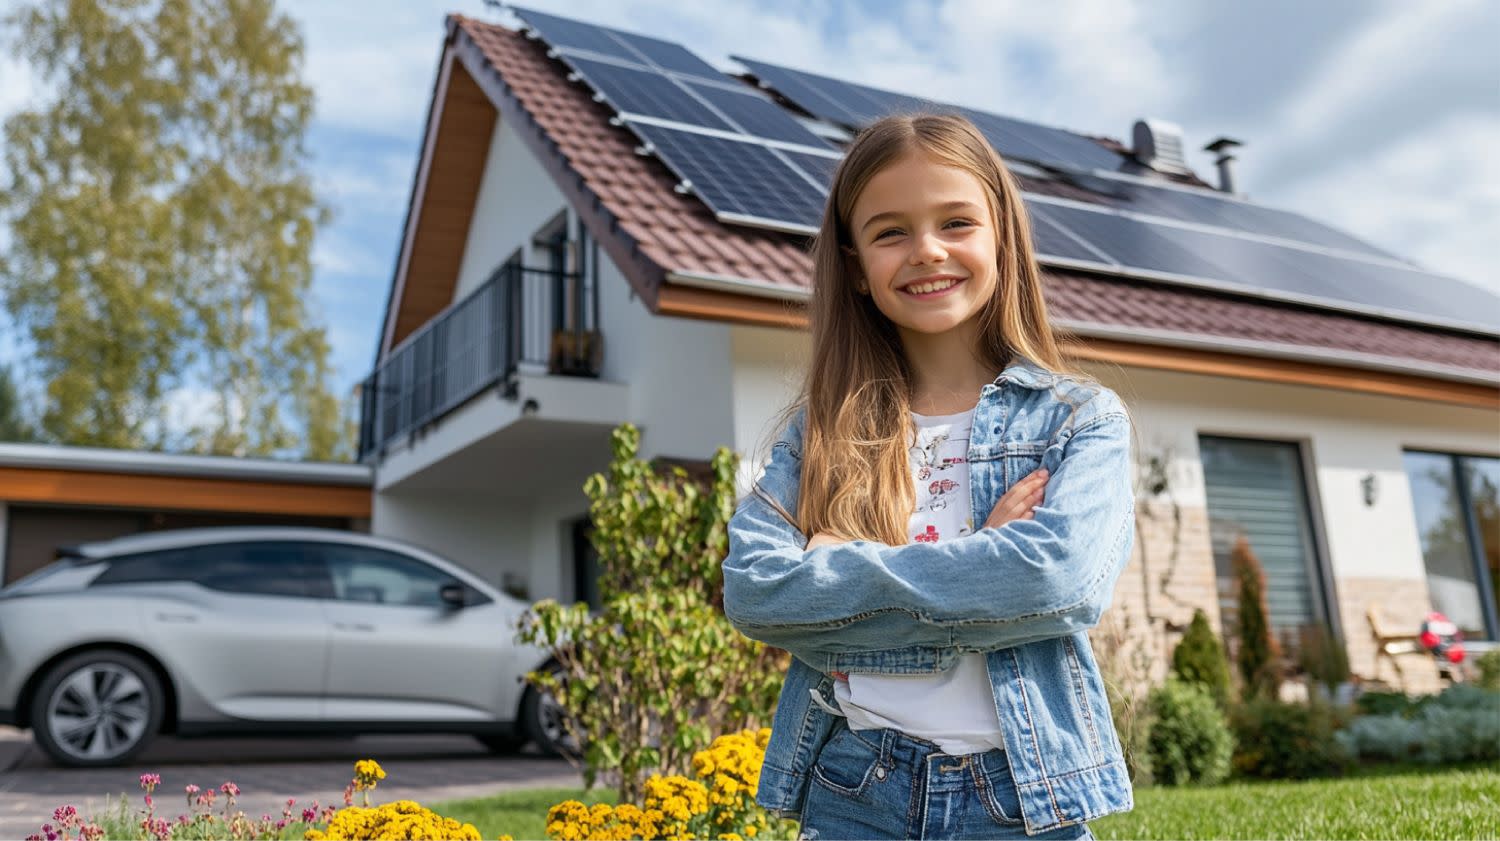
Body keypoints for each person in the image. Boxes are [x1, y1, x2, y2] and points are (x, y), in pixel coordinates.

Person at [721, 112, 1138, 840]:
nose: (927, 251)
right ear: (856, 265)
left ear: (1002, 237)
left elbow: (1057, 583)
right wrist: (984, 563)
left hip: (1020, 800)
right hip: (854, 790)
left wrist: (838, 574)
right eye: (890, 232)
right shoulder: (820, 435)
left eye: (956, 222)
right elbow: (756, 591)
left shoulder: (1078, 420)